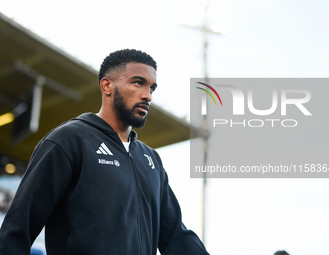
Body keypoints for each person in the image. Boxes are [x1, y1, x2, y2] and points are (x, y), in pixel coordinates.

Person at [0, 49, 209, 255]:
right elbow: (17, 231)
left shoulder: (150, 160)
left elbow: (176, 238)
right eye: (138, 83)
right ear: (107, 85)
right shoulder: (69, 140)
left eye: (152, 88)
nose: (147, 95)